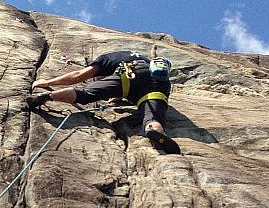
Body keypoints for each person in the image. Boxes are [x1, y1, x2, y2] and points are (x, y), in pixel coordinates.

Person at [26, 49, 181, 155]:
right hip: (158, 83)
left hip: (128, 73)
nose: (100, 79)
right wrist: (117, 96)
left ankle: (48, 96)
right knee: (152, 117)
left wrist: (47, 81)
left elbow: (78, 75)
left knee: (85, 94)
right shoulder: (143, 59)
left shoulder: (105, 59)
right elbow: (137, 85)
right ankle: (155, 131)